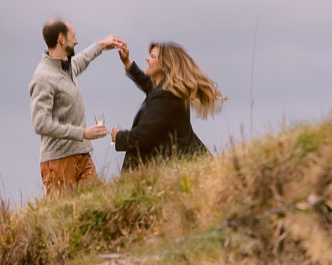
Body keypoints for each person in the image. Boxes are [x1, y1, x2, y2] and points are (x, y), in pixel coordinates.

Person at [30, 18, 126, 195]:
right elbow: (40, 124)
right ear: (61, 39)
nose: (77, 41)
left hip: (82, 155)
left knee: (97, 205)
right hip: (58, 160)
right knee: (61, 218)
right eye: (73, 37)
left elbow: (81, 60)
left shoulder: (66, 67)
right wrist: (82, 133)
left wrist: (101, 45)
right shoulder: (43, 77)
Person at [109, 42, 224, 171]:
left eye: (152, 56)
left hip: (171, 171)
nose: (147, 58)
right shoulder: (167, 91)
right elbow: (147, 84)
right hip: (180, 167)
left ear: (165, 65)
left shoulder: (164, 97)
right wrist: (127, 62)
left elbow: (142, 136)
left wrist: (118, 136)